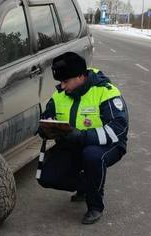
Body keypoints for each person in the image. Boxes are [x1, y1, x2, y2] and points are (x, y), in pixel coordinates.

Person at [37, 52, 128, 224]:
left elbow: (118, 129)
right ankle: (88, 185)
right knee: (46, 177)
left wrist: (83, 136)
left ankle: (95, 205)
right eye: (60, 82)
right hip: (73, 143)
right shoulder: (60, 95)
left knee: (92, 156)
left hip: (107, 145)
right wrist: (44, 128)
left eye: (66, 81)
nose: (62, 87)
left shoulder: (106, 92)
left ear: (80, 76)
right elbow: (47, 116)